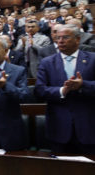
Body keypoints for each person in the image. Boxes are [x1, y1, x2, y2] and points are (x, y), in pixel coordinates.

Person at [35, 24, 95, 154]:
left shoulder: (92, 59)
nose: (60, 41)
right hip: (58, 128)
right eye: (58, 38)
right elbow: (39, 90)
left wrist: (83, 85)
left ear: (77, 39)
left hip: (88, 127)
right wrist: (62, 91)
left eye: (65, 37)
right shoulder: (47, 62)